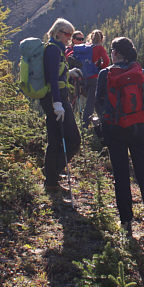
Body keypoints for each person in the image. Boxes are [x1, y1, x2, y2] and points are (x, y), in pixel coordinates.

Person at [95, 36, 144, 237]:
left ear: (116, 53)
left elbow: (99, 102)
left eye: (112, 51)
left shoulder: (104, 74)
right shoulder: (141, 72)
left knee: (121, 175)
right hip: (139, 127)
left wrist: (103, 123)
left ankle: (126, 223)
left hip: (115, 129)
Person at [40, 18, 81, 194]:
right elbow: (52, 80)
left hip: (57, 99)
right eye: (67, 34)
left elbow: (57, 74)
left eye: (71, 35)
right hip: (56, 100)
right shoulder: (53, 50)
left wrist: (69, 73)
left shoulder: (56, 49)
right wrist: (57, 103)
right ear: (57, 32)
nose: (69, 38)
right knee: (70, 140)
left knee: (57, 139)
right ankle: (51, 176)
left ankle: (51, 178)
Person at [79, 29, 111, 127]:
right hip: (93, 77)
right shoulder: (99, 48)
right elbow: (106, 61)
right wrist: (99, 68)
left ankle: (78, 122)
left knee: (79, 101)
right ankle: (85, 125)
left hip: (82, 77)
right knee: (91, 102)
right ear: (101, 39)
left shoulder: (85, 47)